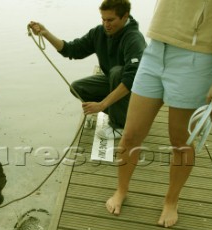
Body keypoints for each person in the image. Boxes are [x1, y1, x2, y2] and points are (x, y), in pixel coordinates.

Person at [106, 0, 212, 227]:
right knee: (130, 135)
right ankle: (121, 190)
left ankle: (171, 201)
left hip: (198, 57)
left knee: (180, 141)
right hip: (156, 48)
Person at [29, 0, 146, 139]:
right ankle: (122, 114)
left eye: (110, 20)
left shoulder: (134, 38)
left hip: (139, 93)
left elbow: (132, 79)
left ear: (125, 16)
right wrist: (45, 33)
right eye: (103, 19)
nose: (106, 25)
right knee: (77, 87)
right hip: (115, 82)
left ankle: (120, 125)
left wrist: (102, 105)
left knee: (117, 72)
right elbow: (71, 50)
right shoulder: (98, 32)